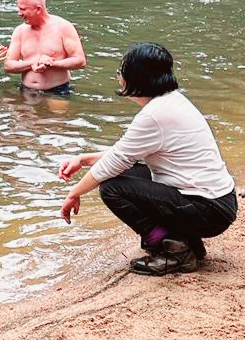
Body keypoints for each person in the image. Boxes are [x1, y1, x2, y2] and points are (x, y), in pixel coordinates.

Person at [59, 43, 237, 276]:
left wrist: (74, 193)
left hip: (208, 209)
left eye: (121, 72)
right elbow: (126, 153)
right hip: (216, 202)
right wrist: (84, 160)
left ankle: (172, 251)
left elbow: (116, 161)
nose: (118, 77)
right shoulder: (170, 101)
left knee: (112, 187)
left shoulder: (155, 115)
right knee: (127, 173)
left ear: (135, 77)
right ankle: (186, 243)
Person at [4, 0, 86, 95]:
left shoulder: (63, 27)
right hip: (27, 90)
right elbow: (8, 65)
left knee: (59, 111)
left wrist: (51, 64)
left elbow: (80, 61)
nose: (19, 13)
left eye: (23, 9)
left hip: (58, 90)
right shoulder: (20, 31)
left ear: (38, 9)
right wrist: (33, 62)